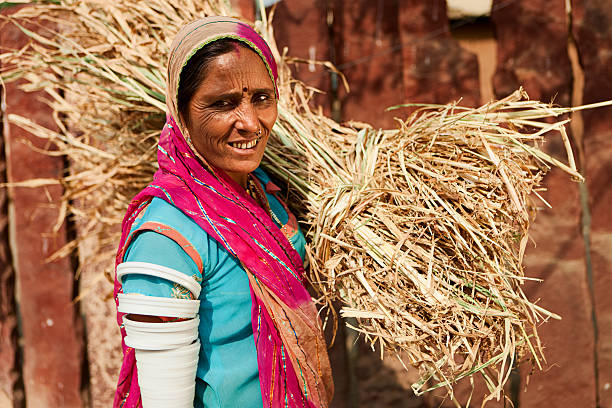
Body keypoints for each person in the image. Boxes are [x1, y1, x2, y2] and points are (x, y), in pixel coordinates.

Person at [112, 16, 333, 408]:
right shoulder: (166, 243)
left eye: (262, 98)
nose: (251, 123)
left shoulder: (264, 192)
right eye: (222, 104)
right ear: (181, 114)